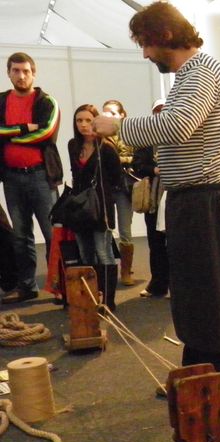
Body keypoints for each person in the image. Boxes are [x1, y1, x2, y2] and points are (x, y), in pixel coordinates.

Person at [94, 1, 220, 403]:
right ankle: (197, 377)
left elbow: (177, 126)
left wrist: (118, 125)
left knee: (212, 296)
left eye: (145, 44)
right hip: (194, 200)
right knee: (194, 295)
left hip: (207, 201)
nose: (144, 54)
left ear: (164, 36)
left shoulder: (203, 71)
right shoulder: (190, 75)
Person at [0, 51, 62, 304]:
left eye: (26, 71)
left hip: (41, 177)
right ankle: (27, 286)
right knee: (20, 235)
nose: (21, 75)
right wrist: (25, 128)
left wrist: (10, 136)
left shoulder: (47, 102)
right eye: (16, 71)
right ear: (8, 73)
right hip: (11, 178)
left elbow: (46, 133)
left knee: (52, 234)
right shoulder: (2, 101)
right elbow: (32, 132)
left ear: (33, 74)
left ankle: (59, 286)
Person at [68, 104, 122, 311]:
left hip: (101, 207)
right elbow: (75, 176)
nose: (83, 125)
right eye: (79, 120)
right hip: (80, 207)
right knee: (85, 254)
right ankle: (90, 297)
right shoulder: (73, 145)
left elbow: (116, 179)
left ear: (96, 121)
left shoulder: (106, 148)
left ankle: (108, 301)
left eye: (88, 120)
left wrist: (101, 194)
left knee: (103, 252)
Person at [131, 98, 169, 298]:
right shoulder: (146, 139)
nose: (160, 114)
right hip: (153, 200)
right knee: (155, 243)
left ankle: (178, 286)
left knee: (176, 244)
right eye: (157, 111)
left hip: (173, 197)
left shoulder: (179, 136)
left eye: (164, 110)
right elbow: (137, 165)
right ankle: (157, 285)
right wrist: (154, 170)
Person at [101, 99, 137, 287]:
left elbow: (135, 157)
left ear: (122, 115)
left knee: (125, 230)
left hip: (123, 187)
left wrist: (118, 159)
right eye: (105, 112)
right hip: (105, 188)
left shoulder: (129, 133)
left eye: (113, 113)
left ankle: (126, 270)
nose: (109, 116)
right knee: (105, 229)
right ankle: (107, 268)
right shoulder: (99, 134)